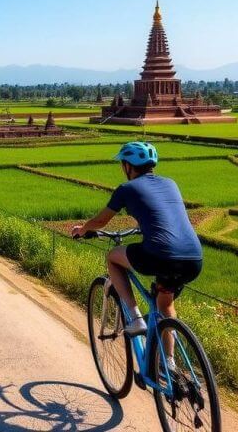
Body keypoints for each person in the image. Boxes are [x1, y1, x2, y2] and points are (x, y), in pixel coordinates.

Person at [70, 141, 202, 341]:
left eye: (122, 163)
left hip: (159, 256)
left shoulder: (126, 188)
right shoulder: (170, 184)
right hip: (193, 259)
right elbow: (162, 215)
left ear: (127, 166)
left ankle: (136, 318)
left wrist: (82, 229)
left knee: (113, 257)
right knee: (165, 305)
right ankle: (169, 364)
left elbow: (100, 221)